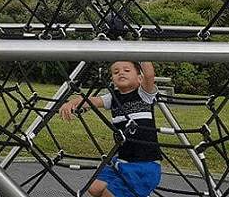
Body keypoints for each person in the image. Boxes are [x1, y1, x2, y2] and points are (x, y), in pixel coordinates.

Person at [59, 61, 161, 197]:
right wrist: (72, 102)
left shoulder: (144, 94)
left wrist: (138, 50)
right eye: (116, 72)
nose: (121, 73)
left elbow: (149, 74)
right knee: (94, 189)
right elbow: (92, 101)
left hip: (143, 166)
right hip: (121, 161)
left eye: (127, 70)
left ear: (139, 78)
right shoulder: (113, 98)